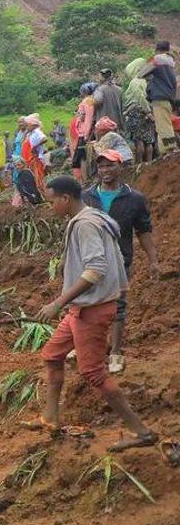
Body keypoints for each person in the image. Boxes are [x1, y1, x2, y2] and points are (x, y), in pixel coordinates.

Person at [28, 176, 158, 452]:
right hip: (83, 307)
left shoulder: (86, 225)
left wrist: (58, 302)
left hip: (92, 309)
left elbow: (95, 269)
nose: (50, 206)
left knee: (93, 373)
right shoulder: (90, 217)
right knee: (52, 355)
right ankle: (50, 417)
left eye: (51, 200)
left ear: (65, 199)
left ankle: (141, 432)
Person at [81, 152, 159, 374]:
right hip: (89, 259)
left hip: (119, 259)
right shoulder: (87, 197)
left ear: (121, 167)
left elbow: (143, 231)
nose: (105, 171)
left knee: (117, 305)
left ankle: (115, 352)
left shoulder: (134, 199)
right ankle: (91, 346)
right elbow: (76, 228)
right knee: (88, 302)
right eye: (101, 166)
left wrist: (153, 260)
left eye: (110, 166)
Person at [138, 40, 177, 157]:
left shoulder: (156, 59)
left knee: (164, 126)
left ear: (157, 49)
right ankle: (163, 152)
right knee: (162, 125)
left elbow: (141, 73)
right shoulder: (171, 62)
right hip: (169, 98)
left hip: (159, 98)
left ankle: (171, 150)